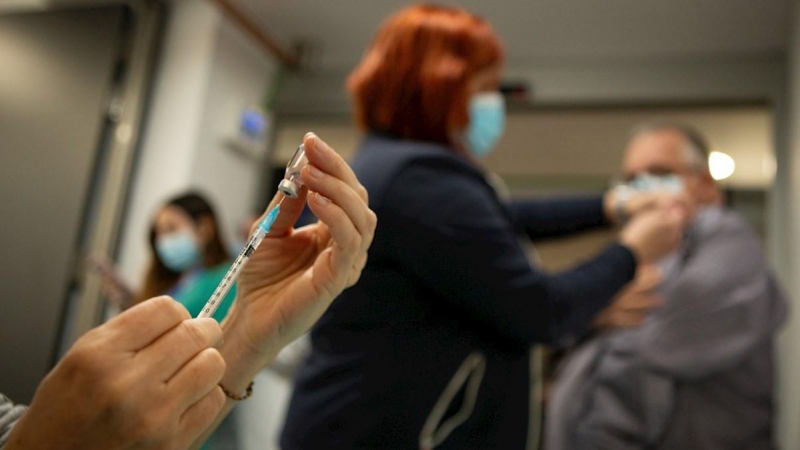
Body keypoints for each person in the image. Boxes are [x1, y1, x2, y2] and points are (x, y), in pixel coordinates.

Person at [280, 6, 689, 450]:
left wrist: (610, 206)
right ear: (440, 87)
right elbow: (541, 310)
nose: (495, 103)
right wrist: (631, 251)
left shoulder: (397, 167)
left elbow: (502, 221)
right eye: (486, 87)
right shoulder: (420, 180)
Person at [0, 133, 376, 450]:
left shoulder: (225, 275)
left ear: (205, 227)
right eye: (157, 233)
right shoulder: (182, 281)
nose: (164, 241)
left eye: (171, 228)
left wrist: (250, 337)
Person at [545, 124, 788, 450]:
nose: (645, 189)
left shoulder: (725, 237)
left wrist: (594, 309)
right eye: (633, 180)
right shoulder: (641, 254)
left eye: (660, 173)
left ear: (706, 186)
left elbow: (653, 340)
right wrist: (595, 312)